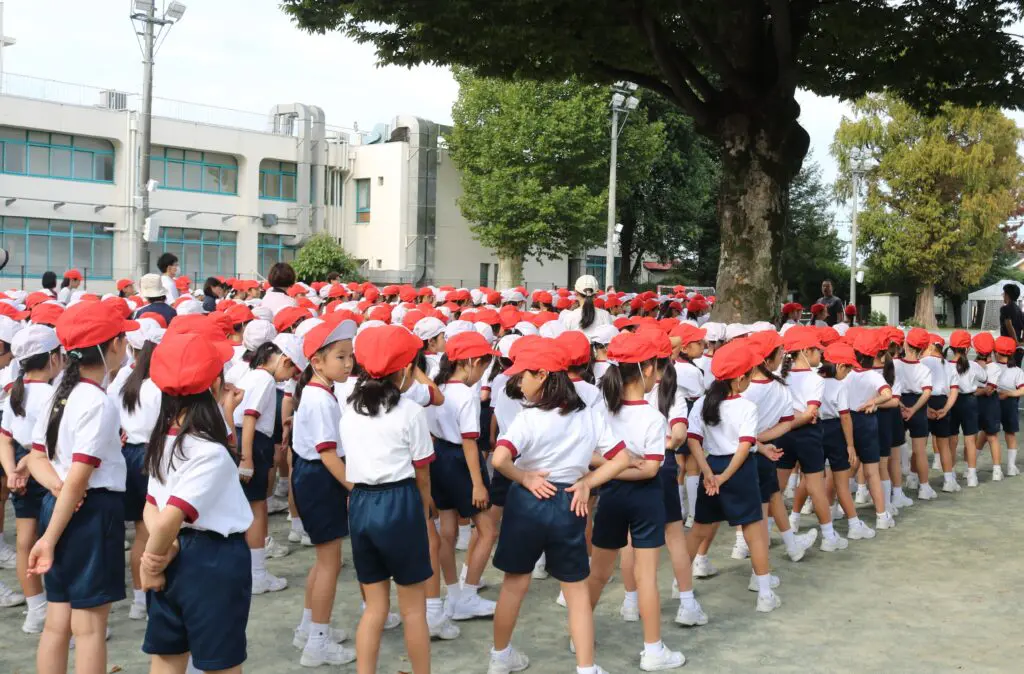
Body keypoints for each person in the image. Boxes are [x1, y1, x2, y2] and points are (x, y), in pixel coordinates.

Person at [487, 337, 630, 674]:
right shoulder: (588, 416)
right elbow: (621, 459)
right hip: (569, 501)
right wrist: (587, 483)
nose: (518, 381)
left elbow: (500, 458)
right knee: (576, 590)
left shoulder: (529, 417)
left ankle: (499, 657)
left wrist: (524, 479)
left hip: (528, 502)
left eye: (524, 375)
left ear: (543, 374)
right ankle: (586, 667)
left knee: (514, 583)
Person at [26, 302, 134, 674]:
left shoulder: (61, 392)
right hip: (88, 514)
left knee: (58, 621)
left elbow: (36, 458)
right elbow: (79, 478)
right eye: (123, 340)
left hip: (59, 507)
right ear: (114, 345)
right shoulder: (97, 401)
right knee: (88, 628)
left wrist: (56, 491)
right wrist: (49, 539)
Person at [140, 331, 253, 674]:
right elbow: (168, 517)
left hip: (172, 550)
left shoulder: (164, 438)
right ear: (215, 383)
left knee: (167, 657)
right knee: (221, 664)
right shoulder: (210, 452)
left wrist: (158, 554)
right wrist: (150, 564)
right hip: (211, 561)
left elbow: (151, 507)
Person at [586, 332, 685, 671]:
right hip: (645, 500)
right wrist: (631, 464)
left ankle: (578, 635)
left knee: (598, 573)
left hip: (611, 495)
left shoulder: (603, 412)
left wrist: (615, 467)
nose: (658, 377)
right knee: (646, 576)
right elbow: (651, 470)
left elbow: (594, 457)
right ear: (645, 368)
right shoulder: (652, 418)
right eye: (656, 369)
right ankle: (653, 650)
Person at [341, 325, 436, 674]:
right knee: (413, 609)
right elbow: (422, 471)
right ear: (406, 370)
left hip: (362, 502)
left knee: (375, 608)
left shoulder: (350, 411)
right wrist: (426, 509)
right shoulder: (410, 412)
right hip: (400, 502)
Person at [687, 340, 780, 613]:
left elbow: (694, 441)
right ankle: (764, 594)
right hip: (738, 471)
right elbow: (744, 446)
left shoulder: (703, 403)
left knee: (697, 531)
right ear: (740, 379)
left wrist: (708, 473)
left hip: (711, 466)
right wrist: (725, 476)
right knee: (754, 532)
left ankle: (679, 589)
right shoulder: (746, 407)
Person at [291, 318, 358, 667]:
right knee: (330, 563)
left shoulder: (320, 392)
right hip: (320, 478)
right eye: (340, 357)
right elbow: (328, 454)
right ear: (317, 362)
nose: (348, 364)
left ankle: (309, 627)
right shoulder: (320, 399)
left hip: (313, 477)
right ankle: (317, 642)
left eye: (350, 356)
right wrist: (355, 488)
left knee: (323, 560)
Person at [427, 331, 498, 621]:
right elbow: (470, 442)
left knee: (447, 529)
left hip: (439, 457)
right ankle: (467, 595)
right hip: (461, 461)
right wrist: (478, 484)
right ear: (471, 362)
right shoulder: (465, 396)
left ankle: (454, 593)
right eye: (482, 367)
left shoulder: (436, 386)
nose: (481, 374)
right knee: (488, 531)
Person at [0, 325, 64, 631]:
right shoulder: (55, 395)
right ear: (53, 359)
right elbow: (54, 445)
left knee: (26, 541)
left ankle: (35, 609)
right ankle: (62, 615)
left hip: (22, 477)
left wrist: (13, 469)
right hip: (51, 473)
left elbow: (5, 438)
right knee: (58, 541)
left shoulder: (16, 392)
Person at [232, 333, 305, 594]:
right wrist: (248, 457)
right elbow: (250, 418)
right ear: (283, 360)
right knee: (257, 508)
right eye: (292, 370)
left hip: (243, 439)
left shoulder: (251, 375)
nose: (289, 378)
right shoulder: (263, 380)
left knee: (251, 506)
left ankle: (251, 571)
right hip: (252, 443)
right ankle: (257, 573)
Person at [999, 283, 1024, 367]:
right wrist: (1021, 342)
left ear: (1007, 295)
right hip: (1018, 350)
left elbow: (1009, 325)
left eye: (1004, 293)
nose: (1003, 295)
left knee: (1006, 373)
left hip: (1007, 348)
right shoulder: (1020, 311)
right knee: (1017, 373)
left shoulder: (1005, 309)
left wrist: (1015, 342)